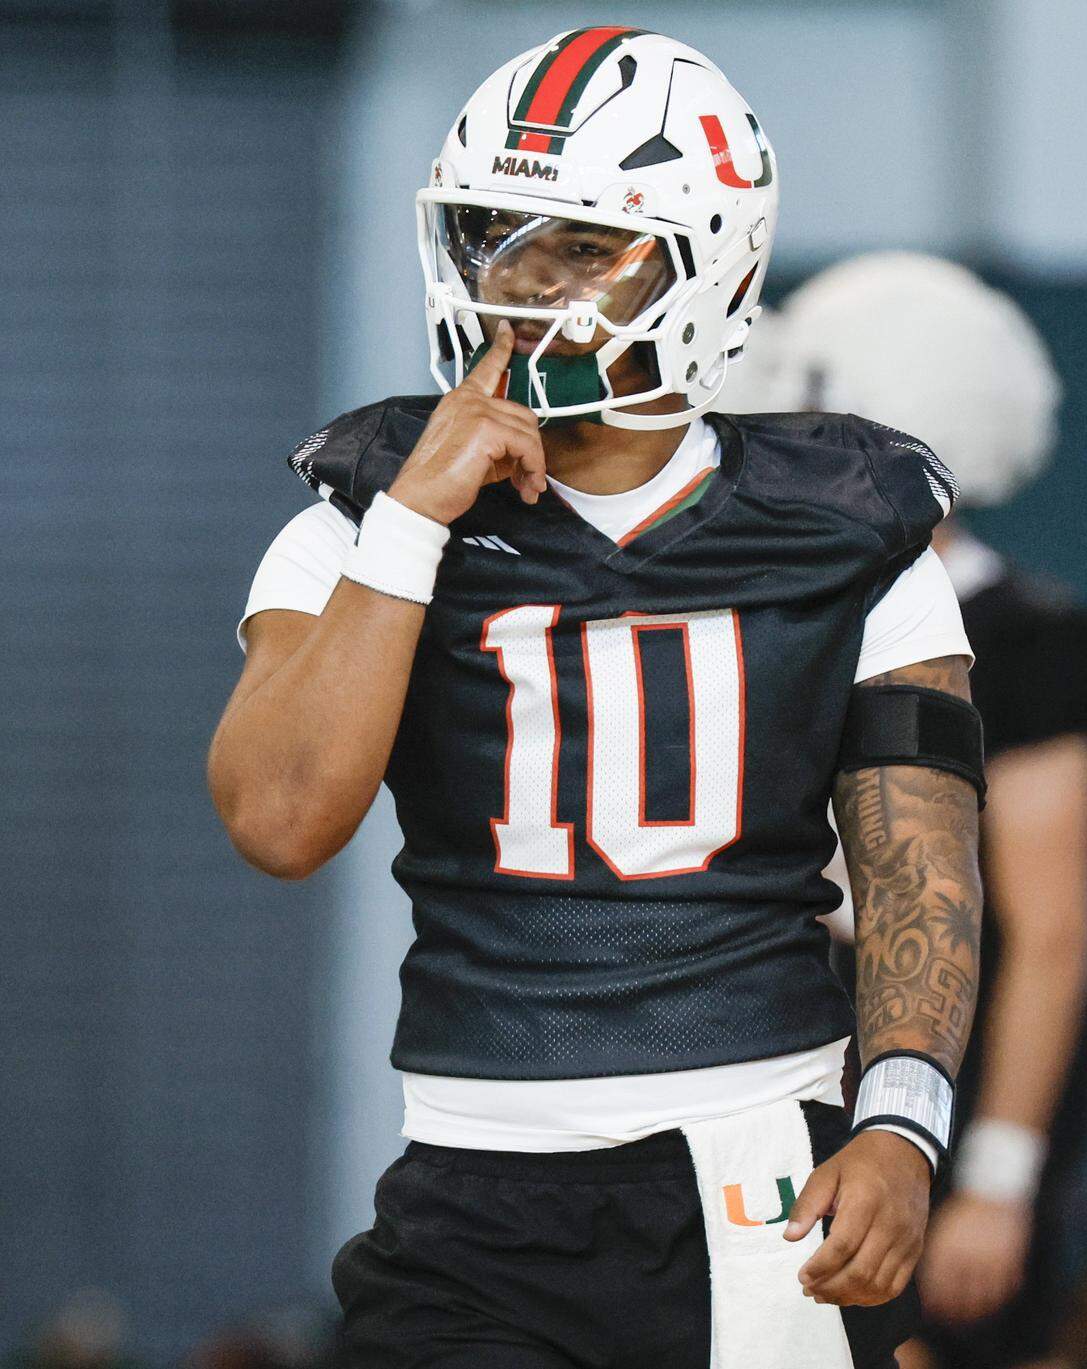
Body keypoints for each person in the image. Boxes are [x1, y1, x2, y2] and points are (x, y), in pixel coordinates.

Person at [208, 32, 985, 1369]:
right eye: (495, 235)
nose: (517, 281)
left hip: (759, 1167)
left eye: (578, 245)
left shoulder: (844, 522)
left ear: (714, 262)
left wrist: (903, 1125)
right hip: (473, 1184)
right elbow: (280, 821)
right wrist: (413, 521)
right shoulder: (364, 515)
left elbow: (922, 878)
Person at [745, 252, 1087, 1369]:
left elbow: (1048, 936)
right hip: (792, 1065)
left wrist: (998, 1178)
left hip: (949, 1063)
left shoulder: (1031, 639)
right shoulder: (777, 609)